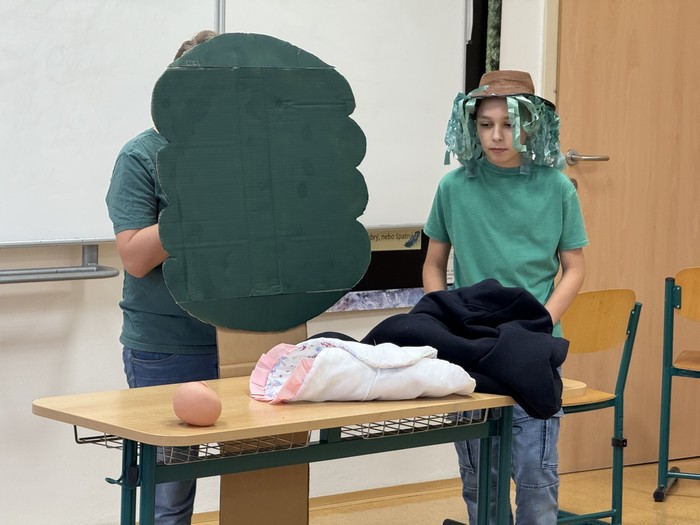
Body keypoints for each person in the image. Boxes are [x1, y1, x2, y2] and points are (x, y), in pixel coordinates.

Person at [422, 70, 588, 524]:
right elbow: (434, 265)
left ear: (531, 124)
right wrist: (446, 317)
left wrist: (541, 323)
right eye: (486, 124)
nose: (497, 136)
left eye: (509, 124)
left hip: (533, 345)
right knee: (479, 475)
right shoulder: (453, 187)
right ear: (471, 126)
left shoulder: (557, 188)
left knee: (535, 472)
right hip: (469, 345)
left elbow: (574, 268)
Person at [105, 29, 219, 525]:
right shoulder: (140, 156)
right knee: (168, 496)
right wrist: (196, 199)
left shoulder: (245, 155)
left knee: (261, 472)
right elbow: (134, 257)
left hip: (245, 339)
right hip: (168, 346)